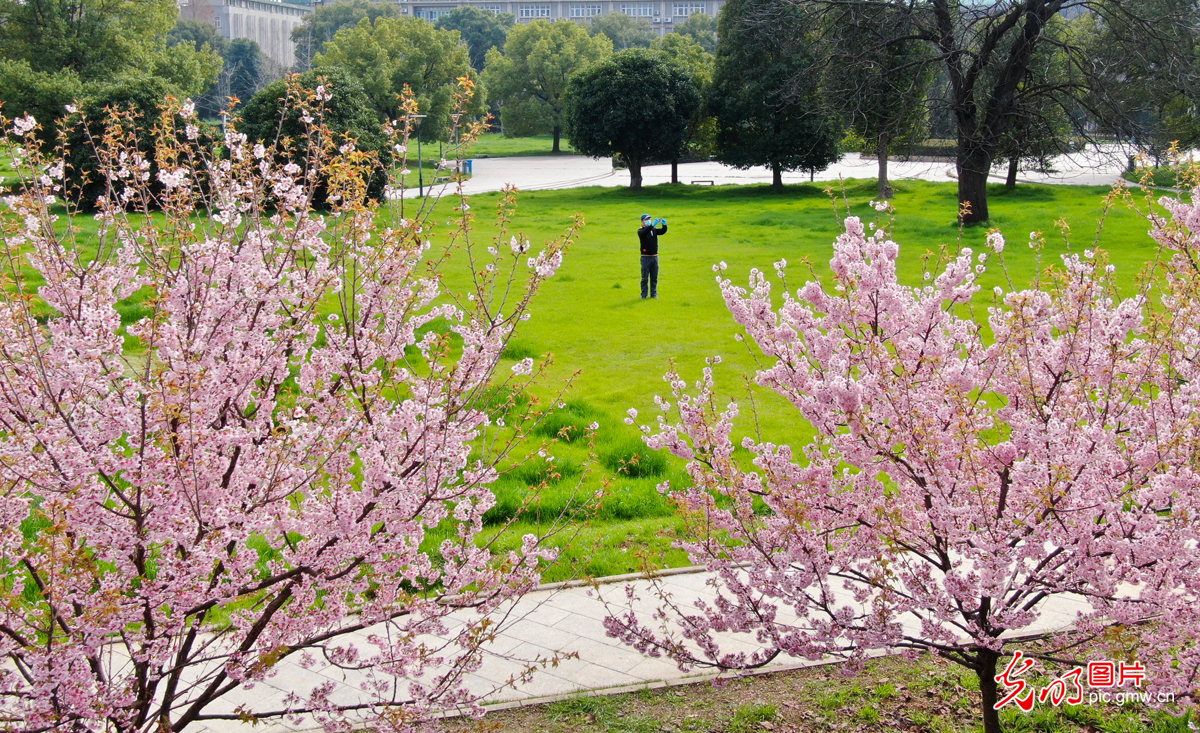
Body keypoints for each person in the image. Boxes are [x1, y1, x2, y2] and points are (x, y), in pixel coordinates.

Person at [638, 213, 667, 299]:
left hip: (654, 256)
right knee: (645, 278)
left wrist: (664, 225)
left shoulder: (653, 230)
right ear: (642, 221)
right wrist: (652, 225)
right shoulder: (641, 231)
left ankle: (653, 294)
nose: (648, 221)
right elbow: (645, 232)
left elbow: (662, 231)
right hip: (645, 257)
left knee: (654, 277)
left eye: (649, 219)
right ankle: (644, 295)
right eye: (646, 220)